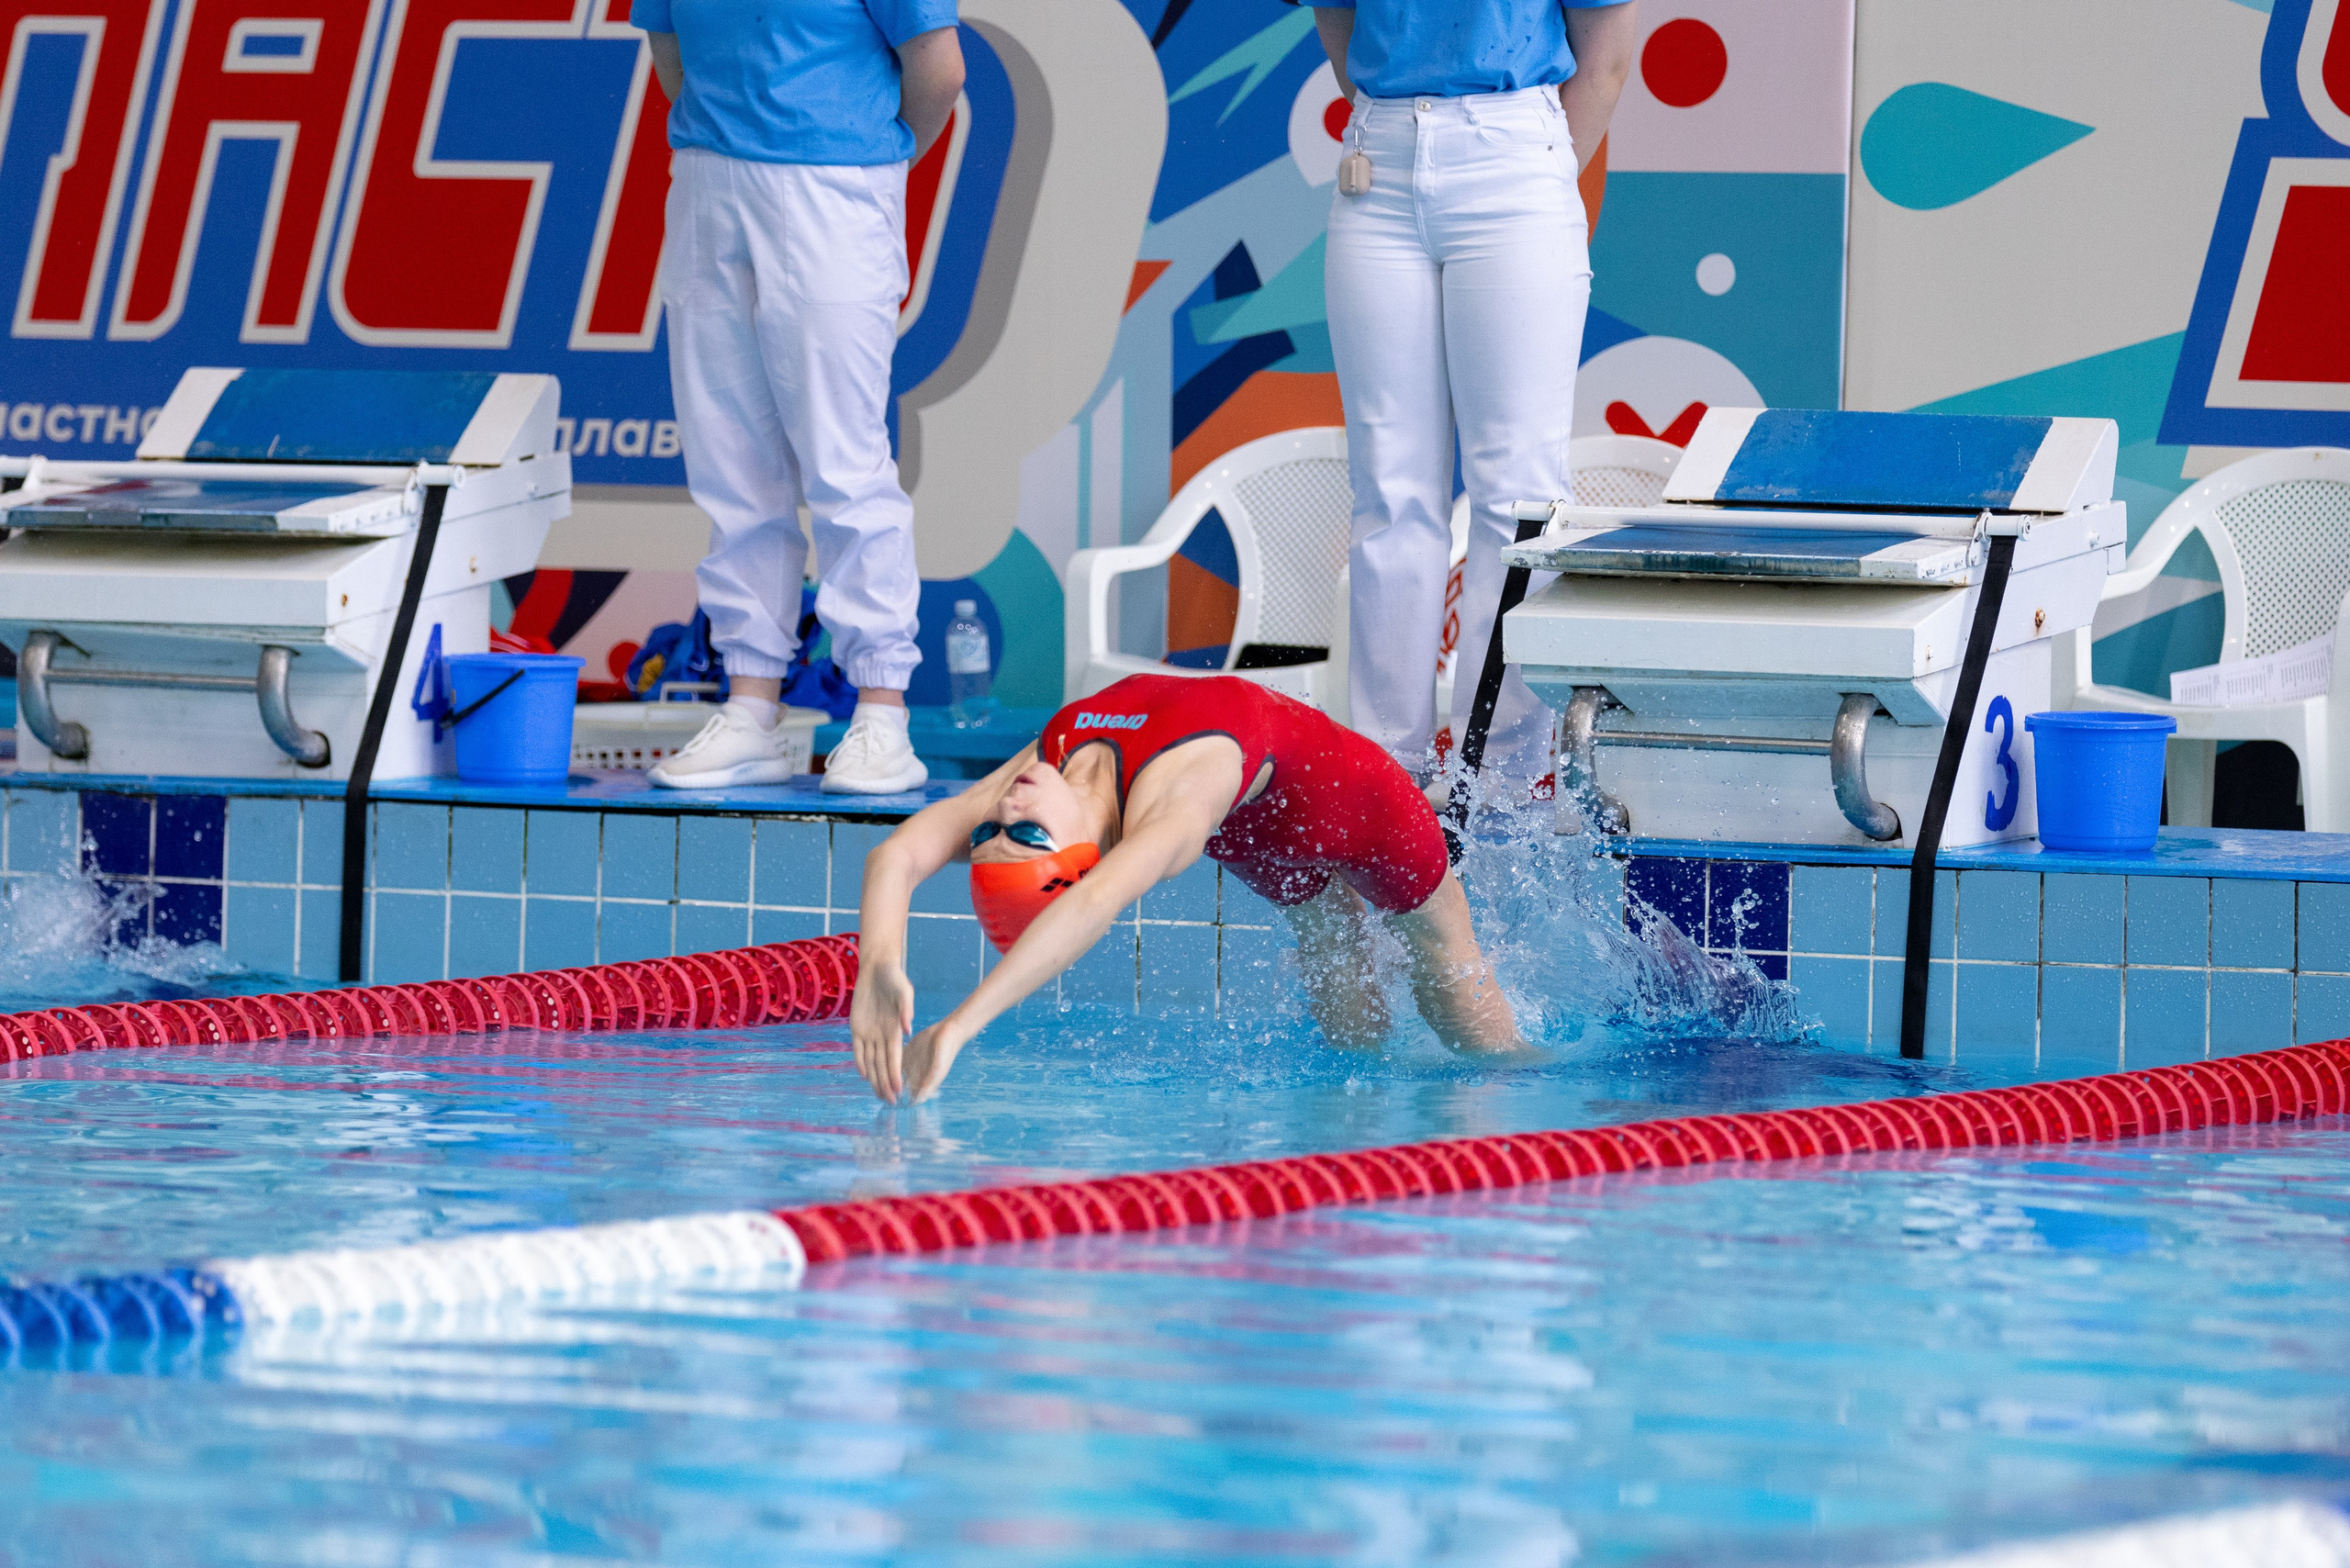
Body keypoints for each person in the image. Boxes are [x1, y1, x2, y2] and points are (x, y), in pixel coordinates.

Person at [850, 673, 1526, 1103]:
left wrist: (879, 966)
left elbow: (900, 852)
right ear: (1082, 861)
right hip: (1255, 829)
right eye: (1022, 837)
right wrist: (965, 1026)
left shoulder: (1047, 764)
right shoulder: (1169, 816)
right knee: (1337, 973)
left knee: (1443, 951)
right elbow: (1094, 903)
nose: (1006, 810)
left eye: (991, 831)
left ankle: (1516, 1076)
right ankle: (1361, 1130)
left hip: (1360, 806)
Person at [632, 0, 965, 794]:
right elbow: (669, 52)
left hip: (833, 186)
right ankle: (750, 706)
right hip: (710, 186)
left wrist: (874, 154)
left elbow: (940, 70)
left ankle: (881, 713)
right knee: (731, 462)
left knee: (844, 460)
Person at [1314, 0, 1639, 789]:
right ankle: (1384, 791)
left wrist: (1532, 165)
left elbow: (1603, 62)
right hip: (1377, 159)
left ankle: (1503, 792)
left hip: (1515, 155)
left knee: (1517, 498)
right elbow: (1340, 26)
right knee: (1390, 492)